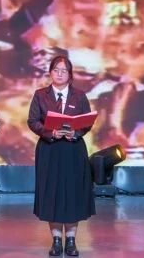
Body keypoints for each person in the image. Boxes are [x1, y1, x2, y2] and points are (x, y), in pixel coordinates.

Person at [27, 55, 94, 257]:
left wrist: (77, 132)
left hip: (73, 150)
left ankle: (71, 240)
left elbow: (88, 122)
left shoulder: (79, 96)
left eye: (64, 70)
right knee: (52, 193)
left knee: (73, 193)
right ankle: (56, 240)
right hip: (50, 149)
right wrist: (50, 132)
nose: (60, 74)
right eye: (56, 70)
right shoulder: (40, 95)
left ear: (70, 74)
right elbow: (33, 121)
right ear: (50, 73)